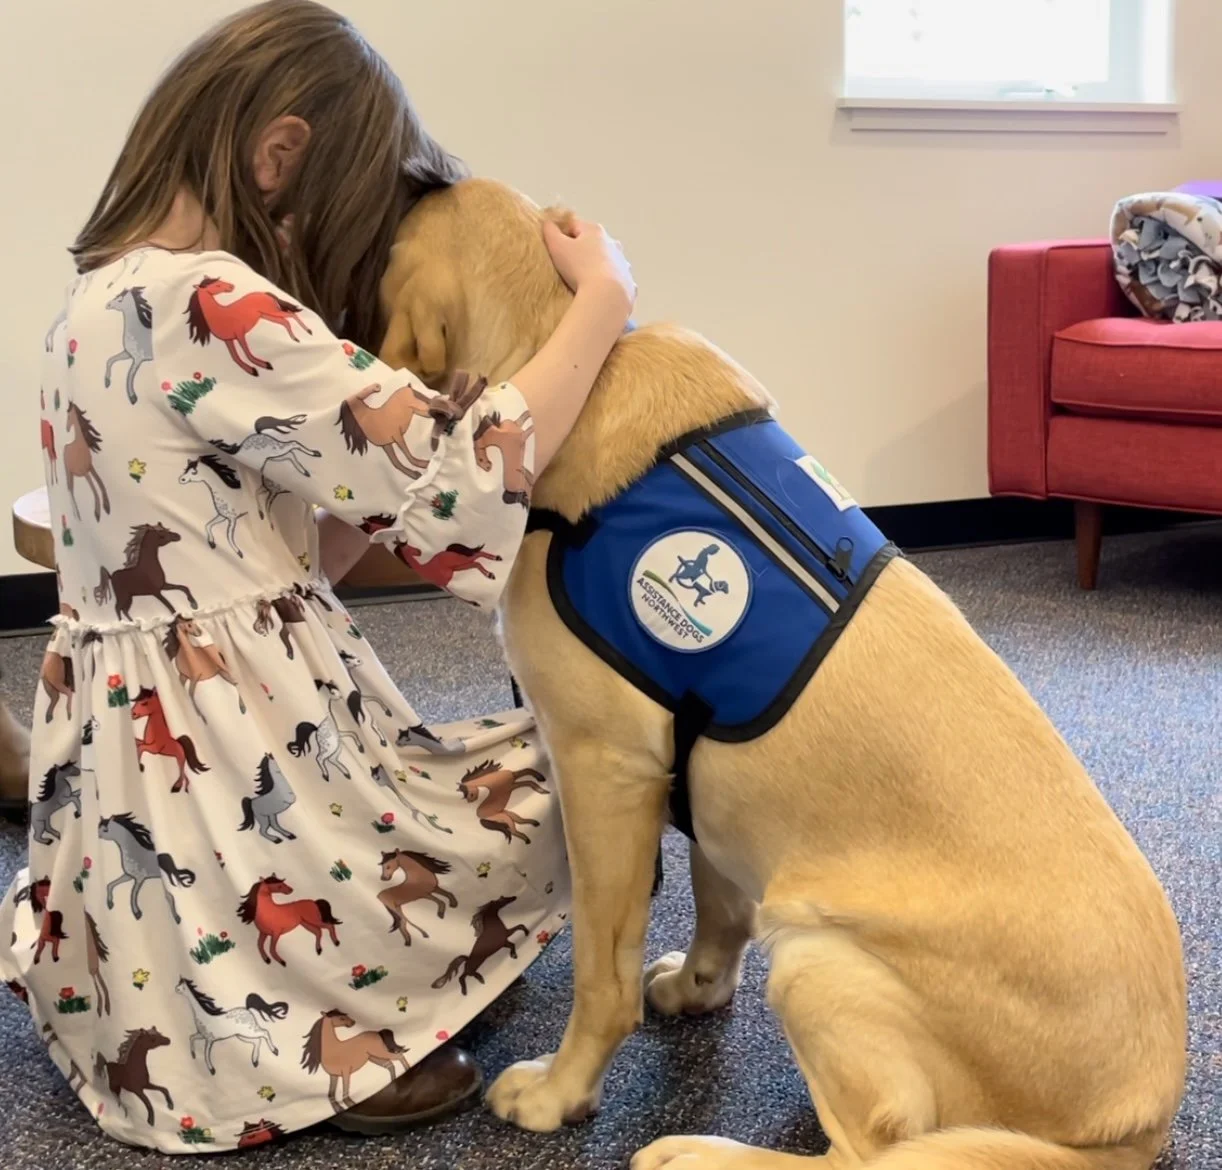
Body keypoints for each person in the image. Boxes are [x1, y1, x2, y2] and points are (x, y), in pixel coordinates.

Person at [0, 0, 634, 1153]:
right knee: (565, 788)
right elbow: (456, 477)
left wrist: (364, 466)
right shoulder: (210, 298)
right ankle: (315, 1028)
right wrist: (605, 301)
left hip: (137, 738)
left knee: (500, 782)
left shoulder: (91, 299)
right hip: (239, 731)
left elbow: (312, 538)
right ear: (278, 156)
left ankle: (179, 983)